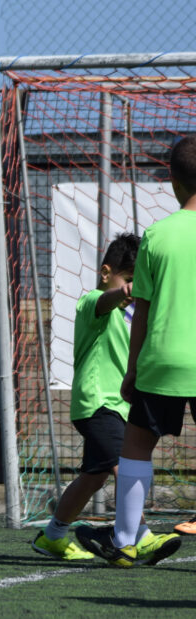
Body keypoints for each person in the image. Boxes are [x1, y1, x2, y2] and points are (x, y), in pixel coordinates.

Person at [76, 135, 196, 567]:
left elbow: (140, 313)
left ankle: (125, 539)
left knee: (136, 447)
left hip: (161, 361)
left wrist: (131, 371)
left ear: (172, 180)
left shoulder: (158, 236)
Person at [31, 233, 165, 561]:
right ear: (107, 273)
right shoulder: (93, 301)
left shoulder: (136, 315)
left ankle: (53, 536)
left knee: (94, 477)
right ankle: (140, 534)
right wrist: (122, 292)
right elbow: (105, 301)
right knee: (125, 465)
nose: (134, 288)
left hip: (121, 407)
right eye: (129, 279)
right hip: (97, 403)